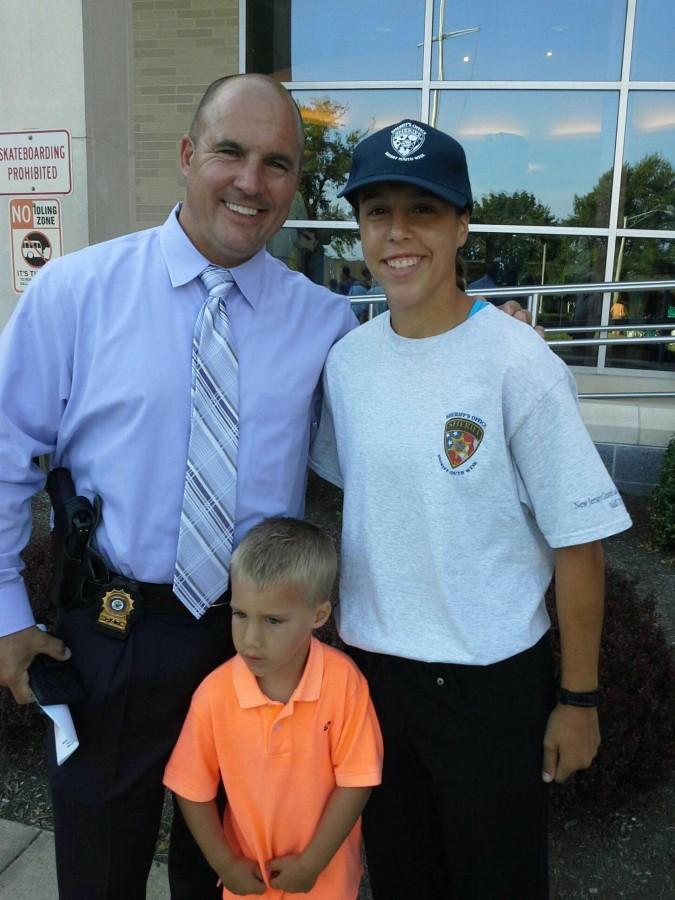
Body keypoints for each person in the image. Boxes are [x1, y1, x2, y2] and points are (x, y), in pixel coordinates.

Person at [0, 74, 356, 900]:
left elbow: (375, 455)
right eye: (230, 151)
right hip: (116, 627)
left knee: (237, 865)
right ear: (188, 154)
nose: (250, 181)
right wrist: (8, 617)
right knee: (99, 854)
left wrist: (477, 345)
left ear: (293, 185)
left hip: (253, 641)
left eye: (276, 163)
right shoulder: (76, 294)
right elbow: (7, 455)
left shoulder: (324, 323)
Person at [309, 119, 633, 899]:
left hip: (488, 686)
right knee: (401, 877)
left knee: (497, 883)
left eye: (422, 210)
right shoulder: (348, 363)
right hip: (377, 677)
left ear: (460, 226)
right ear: (357, 227)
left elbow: (577, 541)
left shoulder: (518, 363)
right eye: (376, 210)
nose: (397, 233)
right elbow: (360, 499)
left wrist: (578, 700)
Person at [164, 516, 382, 898]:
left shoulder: (344, 683)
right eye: (239, 614)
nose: (250, 638)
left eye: (273, 620)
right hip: (248, 884)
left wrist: (311, 863)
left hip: (325, 882)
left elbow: (357, 781)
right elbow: (190, 787)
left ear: (318, 615)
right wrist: (224, 863)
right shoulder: (215, 693)